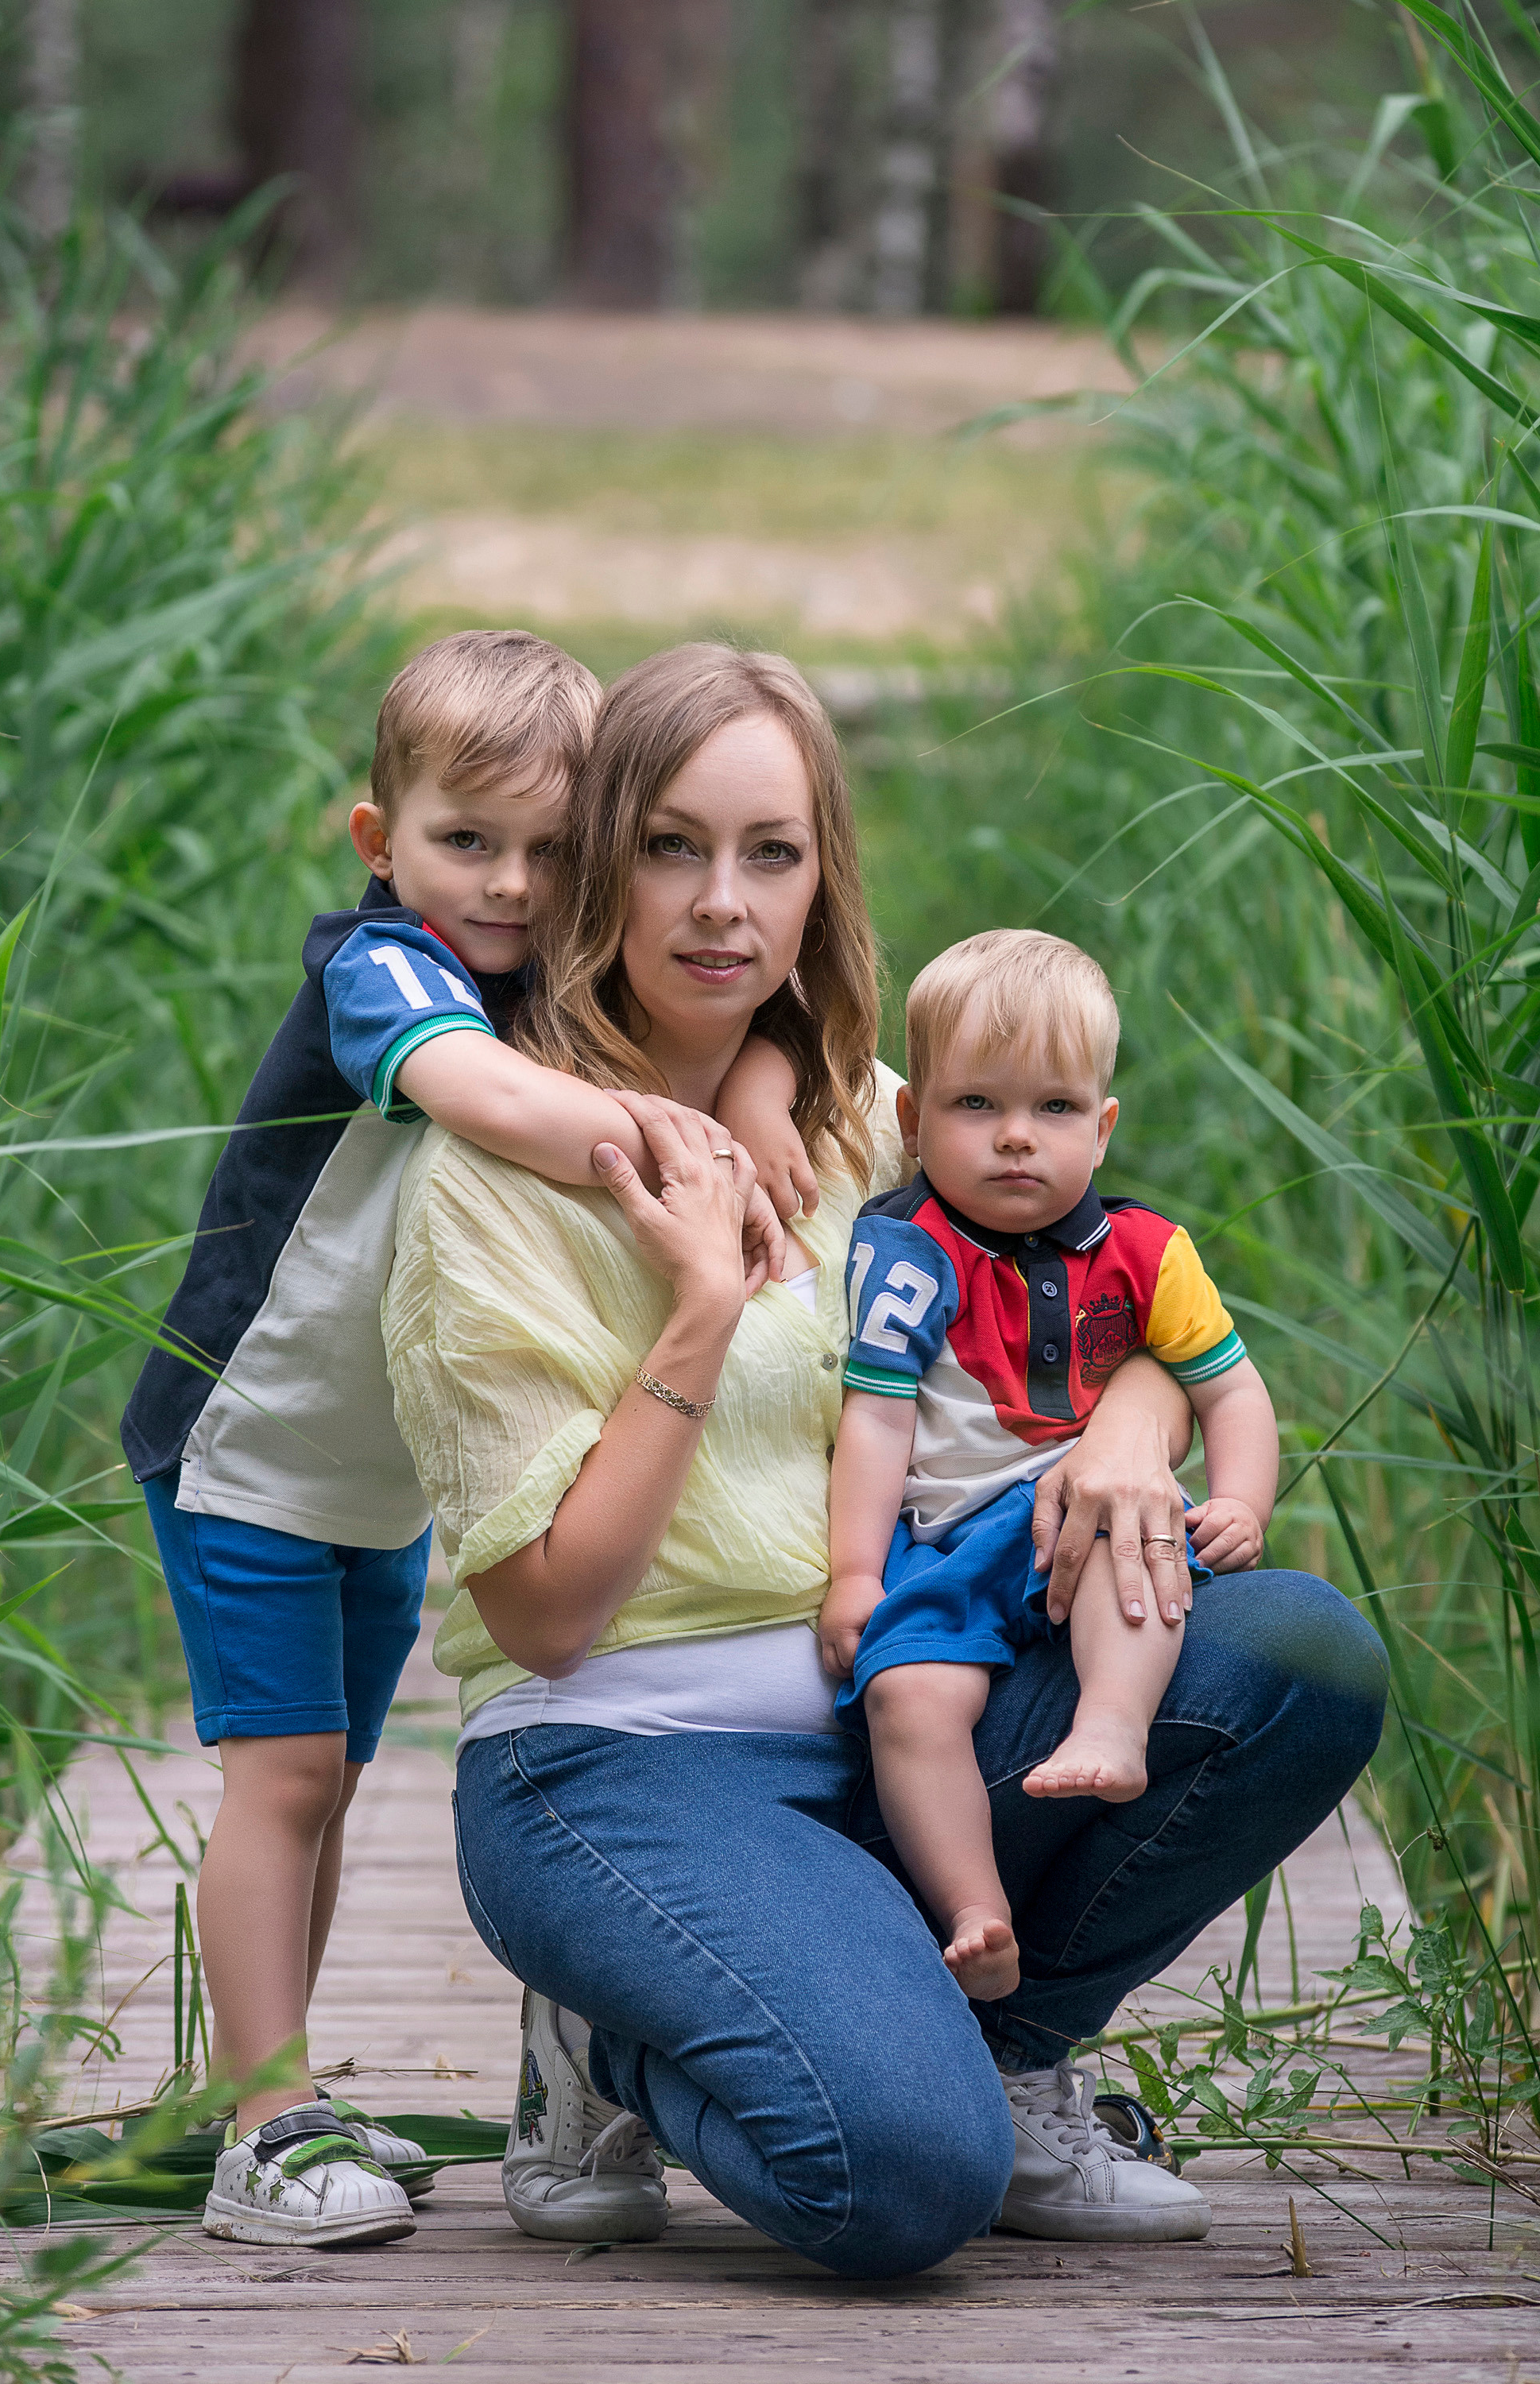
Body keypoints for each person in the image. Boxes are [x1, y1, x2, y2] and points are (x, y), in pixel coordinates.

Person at [385, 642, 1389, 2278]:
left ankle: (1011, 2048)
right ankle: (615, 2039)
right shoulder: (487, 1184)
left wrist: (1131, 1432)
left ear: (820, 882)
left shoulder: (878, 1119)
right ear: (599, 861)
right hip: (621, 1761)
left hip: (905, 1715)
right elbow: (549, 1617)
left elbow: (1123, 1294)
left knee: (1296, 1655)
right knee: (903, 2183)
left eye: (771, 853)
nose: (723, 903)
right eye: (672, 846)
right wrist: (701, 1306)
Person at [119, 631, 784, 2248]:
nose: (507, 884)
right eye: (465, 840)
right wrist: (681, 1140)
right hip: (250, 1449)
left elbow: (729, 1036)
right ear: (380, 838)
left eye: (551, 852)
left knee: (331, 1782)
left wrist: (755, 1092)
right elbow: (485, 1098)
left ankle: (271, 2091)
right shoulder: (386, 971)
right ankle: (262, 2130)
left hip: (373, 1480)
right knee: (282, 1778)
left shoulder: (539, 984)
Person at [819, 928, 1280, 2004]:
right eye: (976, 1105)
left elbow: (1232, 1391)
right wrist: (854, 1574)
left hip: (1082, 1503)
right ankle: (974, 1912)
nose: (1016, 1137)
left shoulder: (1149, 1252)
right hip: (942, 1538)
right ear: (912, 1120)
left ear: (1103, 1127)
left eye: (1056, 1108)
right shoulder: (906, 1253)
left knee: (1136, 1561)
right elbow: (875, 1421)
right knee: (908, 1697)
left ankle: (1111, 1727)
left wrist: (1244, 1499)